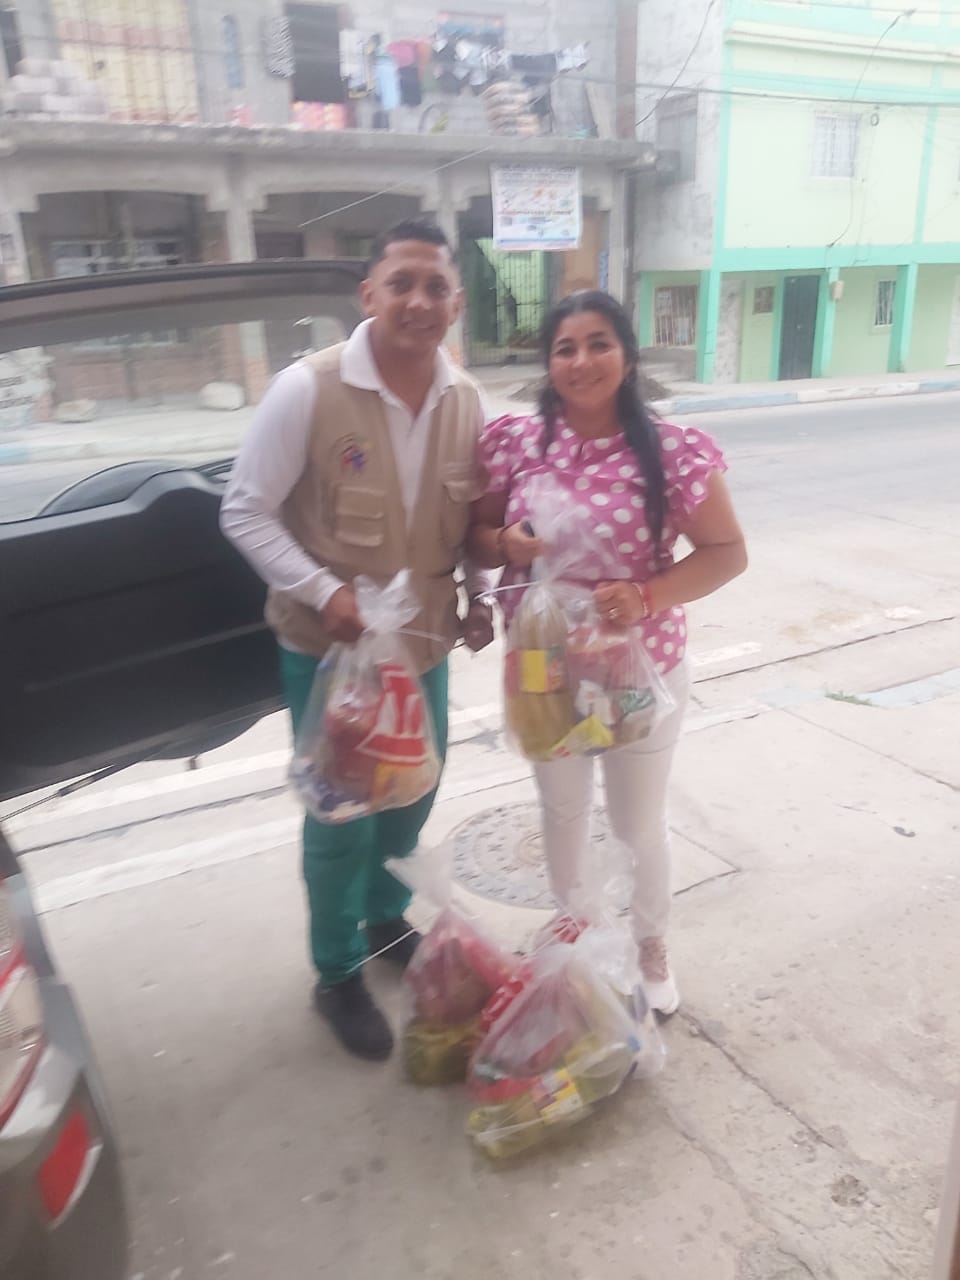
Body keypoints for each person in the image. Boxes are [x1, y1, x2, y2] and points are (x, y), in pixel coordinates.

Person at [221, 220, 494, 1060]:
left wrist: (482, 597)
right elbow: (244, 511)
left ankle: (384, 920)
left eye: (435, 286)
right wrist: (323, 592)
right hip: (329, 652)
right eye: (401, 282)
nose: (419, 300)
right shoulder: (308, 389)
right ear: (368, 294)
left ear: (455, 303)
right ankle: (336, 972)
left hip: (422, 645)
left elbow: (472, 524)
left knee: (410, 795)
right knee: (340, 814)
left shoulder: (467, 401)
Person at [468, 290, 747, 1015]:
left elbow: (727, 552)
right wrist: (505, 543)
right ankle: (576, 934)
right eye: (565, 348)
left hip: (638, 668)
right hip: (542, 668)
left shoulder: (673, 452)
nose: (582, 361)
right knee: (561, 809)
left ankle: (650, 946)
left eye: (599, 344)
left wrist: (649, 595)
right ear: (548, 363)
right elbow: (478, 538)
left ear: (626, 356)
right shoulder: (515, 443)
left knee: (636, 822)